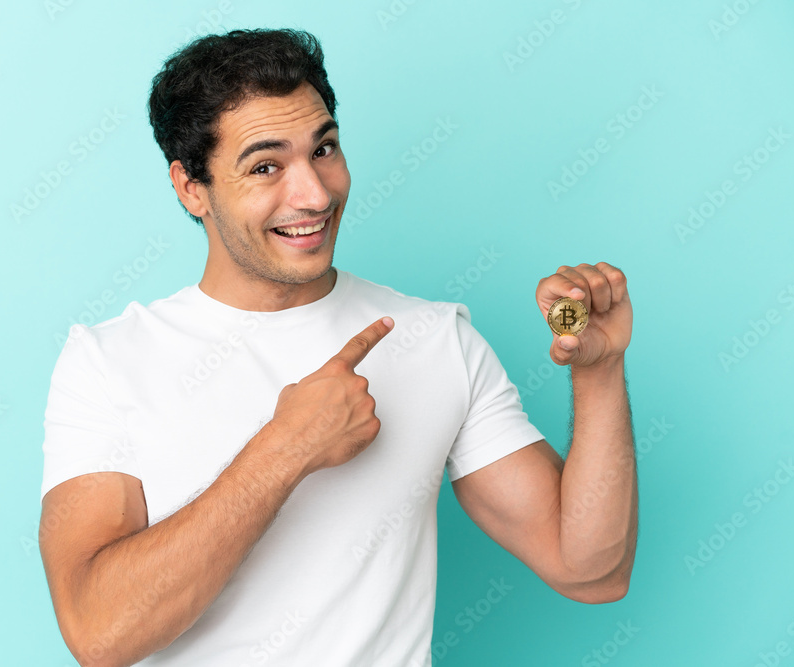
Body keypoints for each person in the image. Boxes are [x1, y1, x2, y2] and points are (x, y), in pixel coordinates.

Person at [37, 27, 637, 667]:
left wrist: (598, 373)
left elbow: (591, 571)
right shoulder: (108, 360)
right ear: (190, 186)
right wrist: (285, 448)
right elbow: (98, 633)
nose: (316, 195)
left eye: (323, 149)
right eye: (266, 165)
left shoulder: (436, 339)